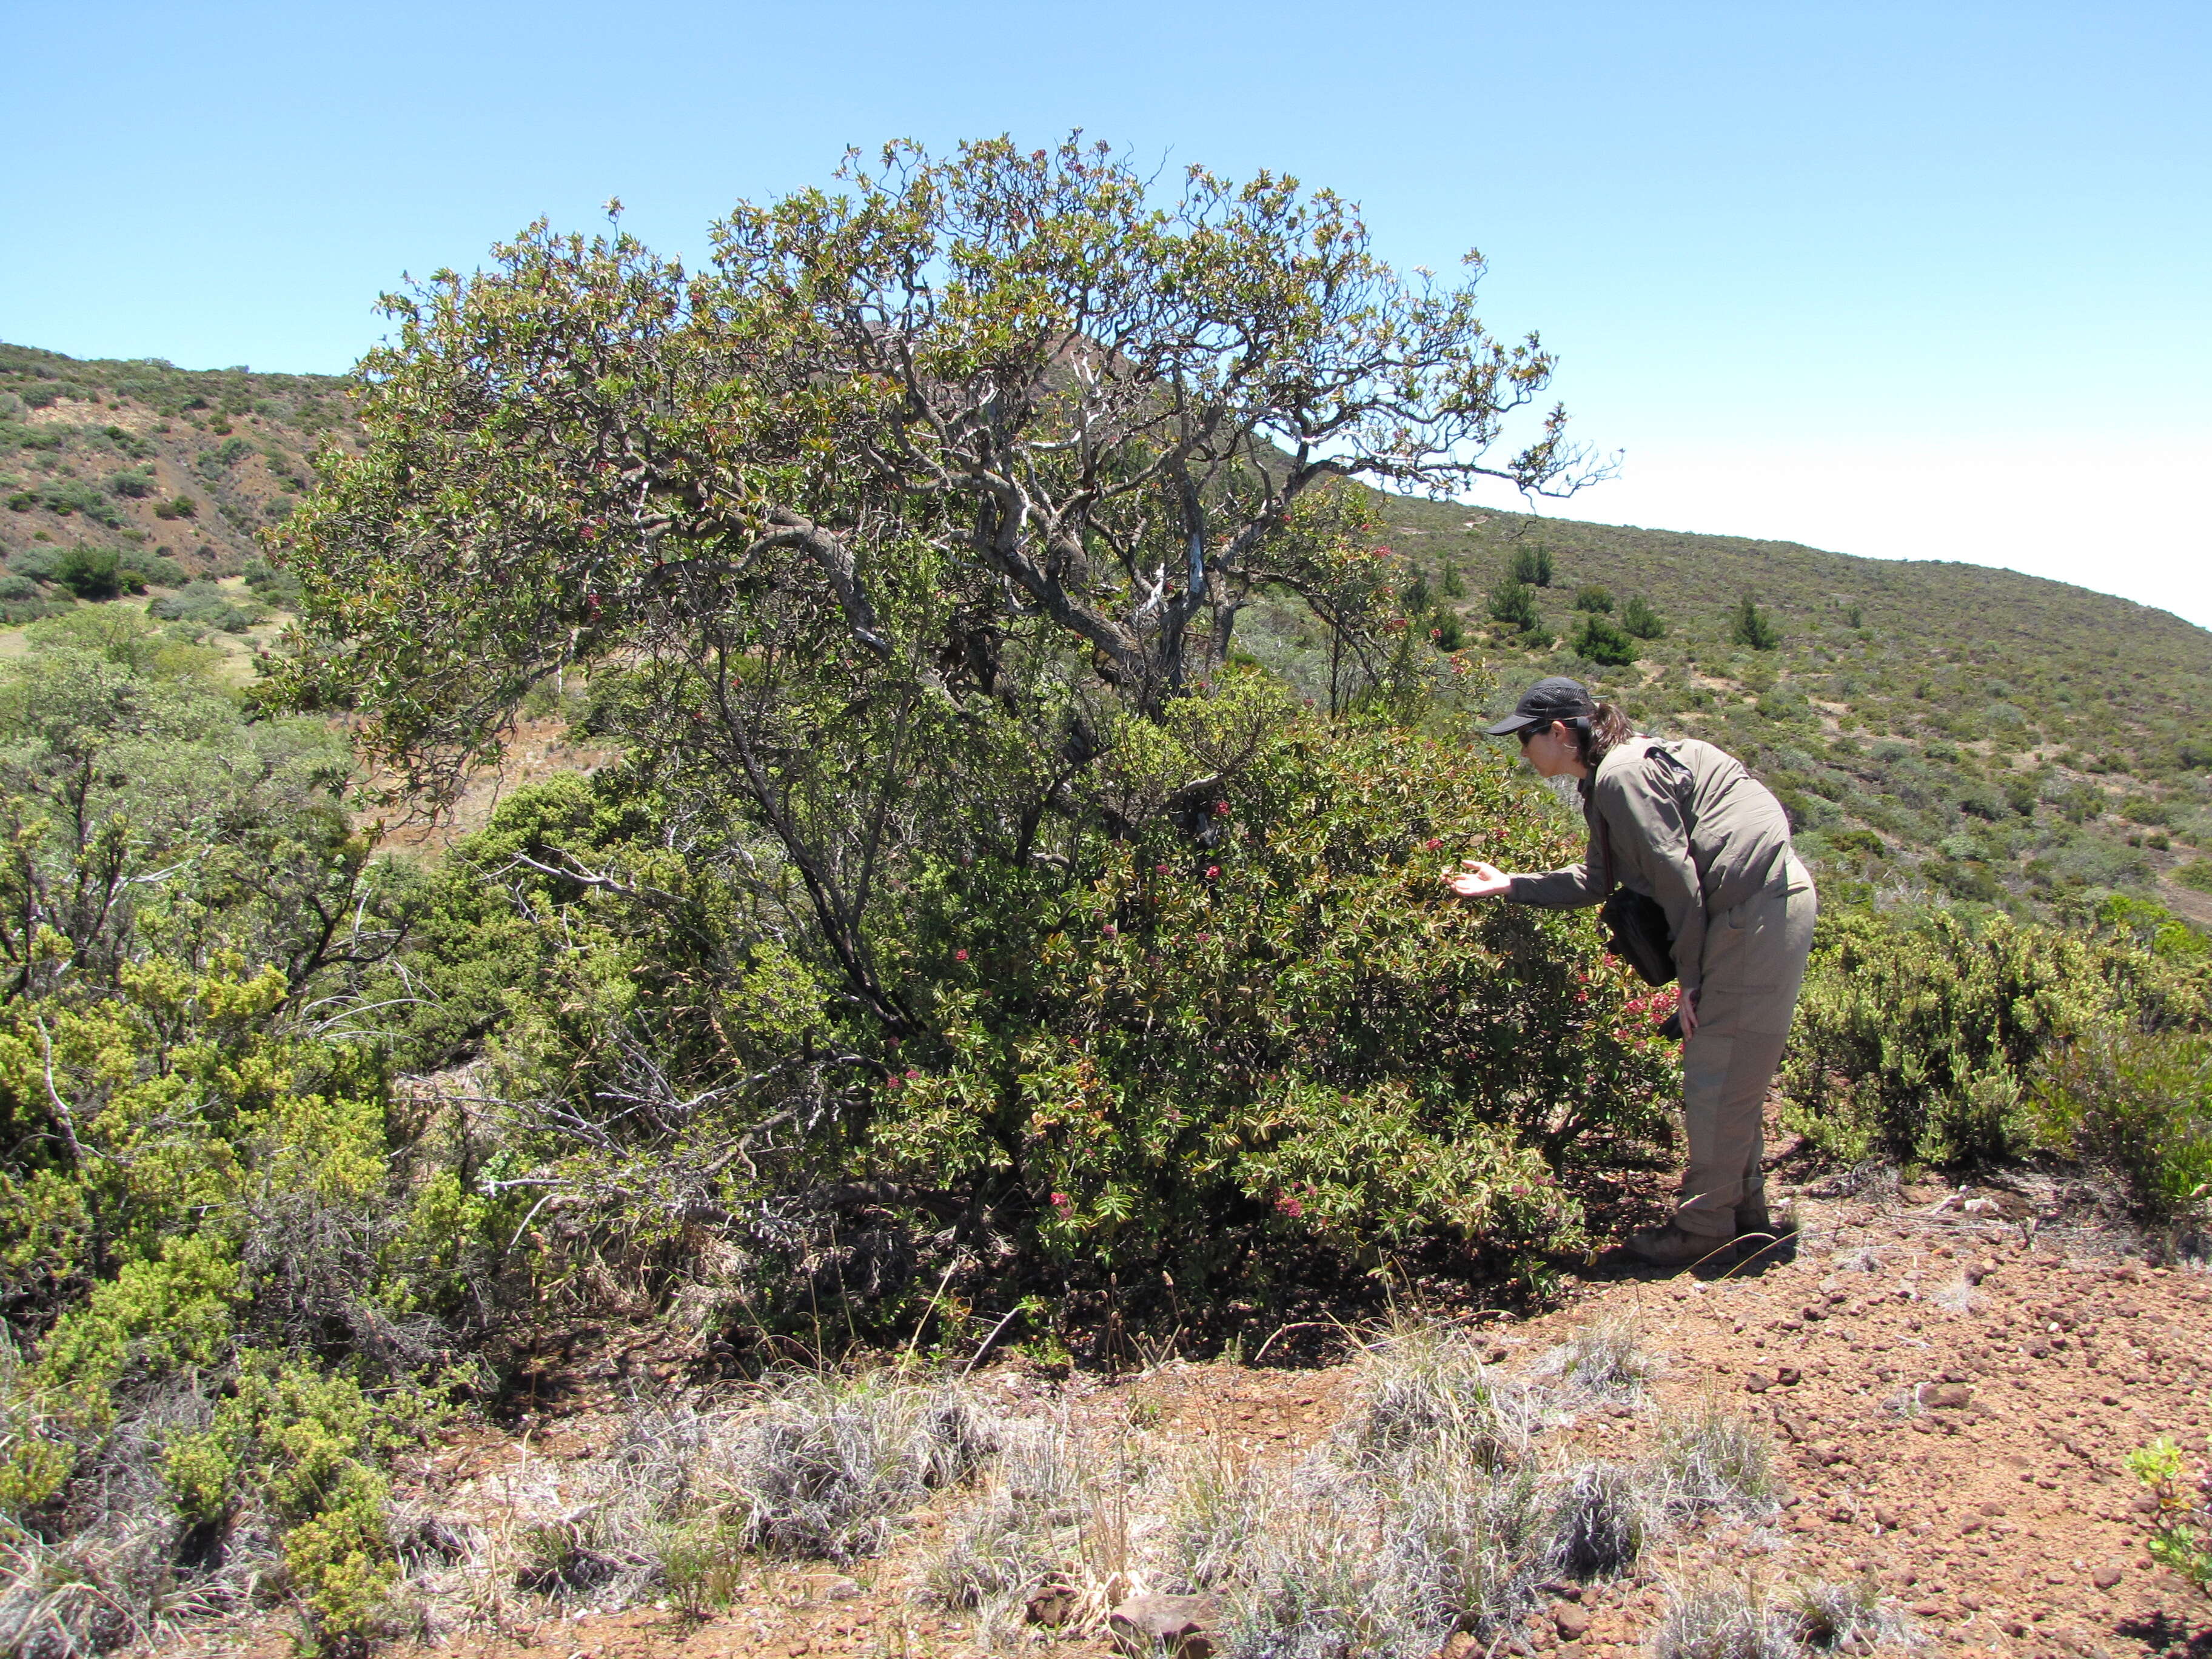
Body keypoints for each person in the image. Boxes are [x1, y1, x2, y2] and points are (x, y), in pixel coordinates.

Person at [1443, 676, 1817, 1267]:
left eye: (1527, 738)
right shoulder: (1611, 779)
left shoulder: (1620, 775)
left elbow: (1677, 877)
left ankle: (1705, 1229)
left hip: (1756, 908)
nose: (1522, 751)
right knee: (1727, 1063)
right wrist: (1511, 885)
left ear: (1561, 734)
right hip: (1750, 909)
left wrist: (1690, 979)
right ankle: (1745, 1217)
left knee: (1717, 1067)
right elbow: (1597, 880)